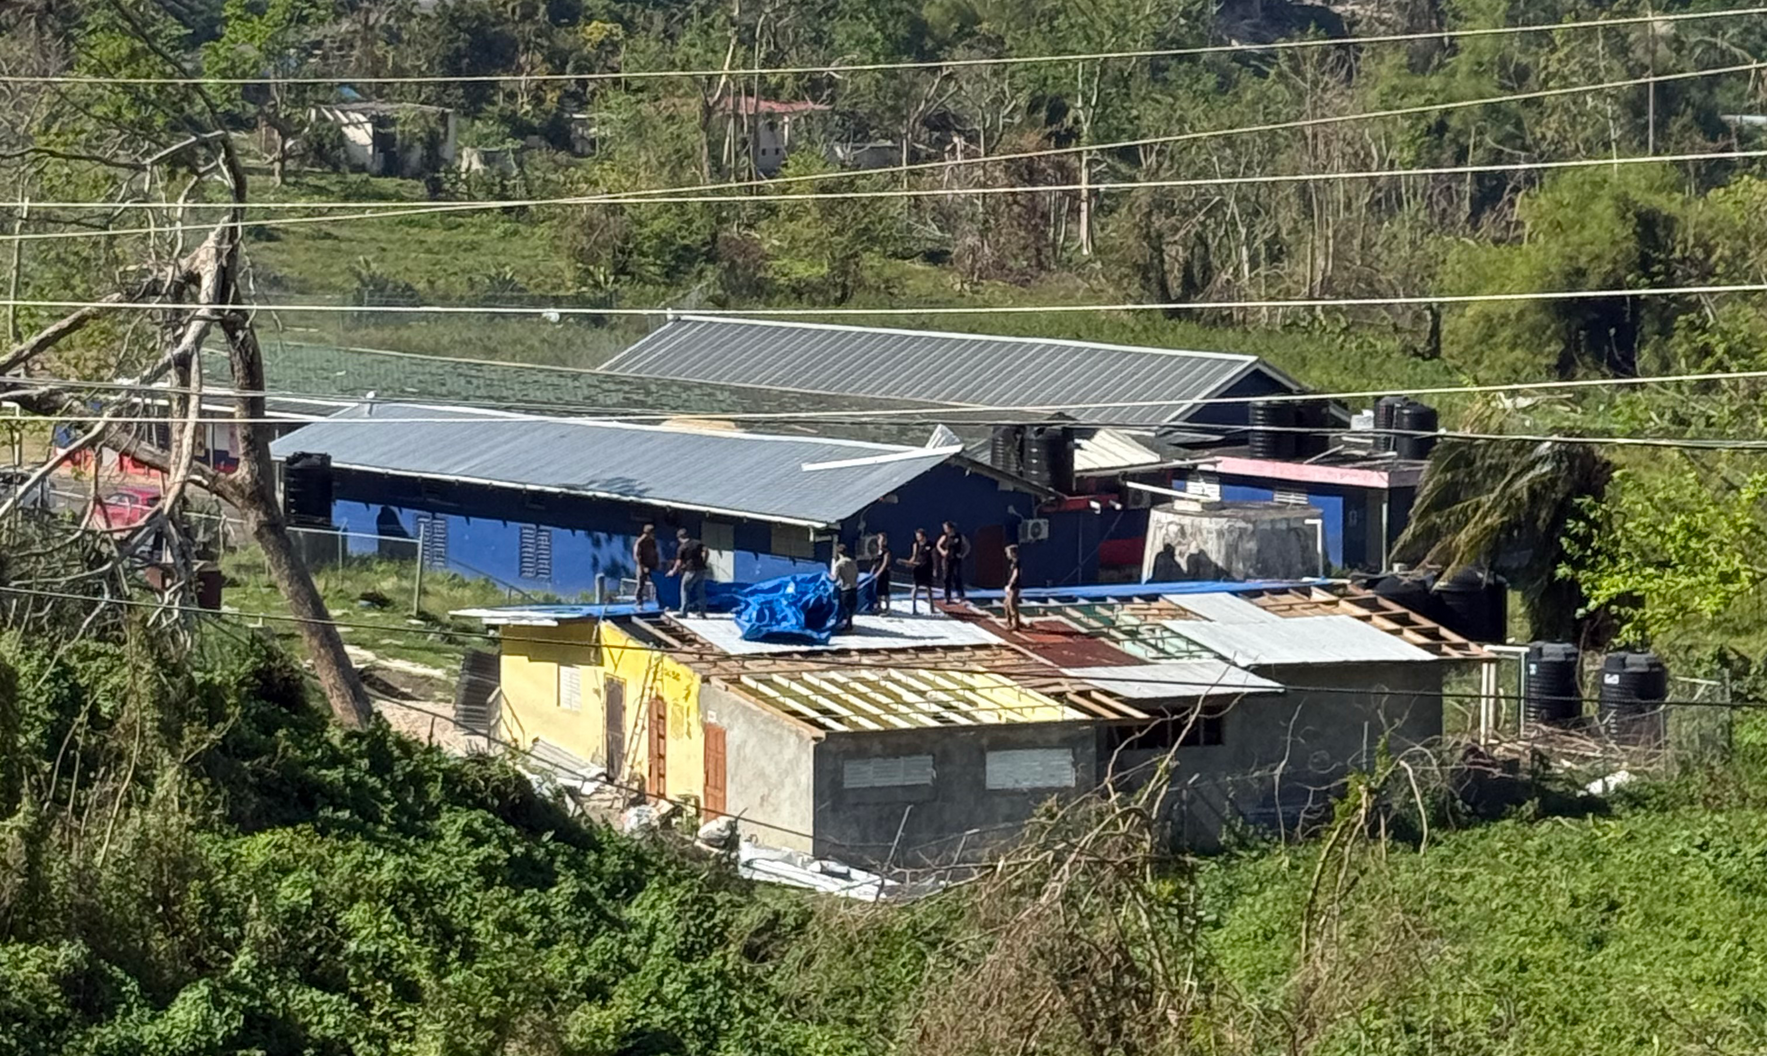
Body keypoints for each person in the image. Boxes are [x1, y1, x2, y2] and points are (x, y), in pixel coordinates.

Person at [669, 527, 709, 617]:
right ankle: (702, 612)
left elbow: (679, 562)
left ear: (680, 538)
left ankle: (683, 612)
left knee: (685, 588)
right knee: (700, 591)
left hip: (691, 570)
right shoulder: (697, 543)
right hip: (701, 570)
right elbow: (706, 551)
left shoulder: (682, 547)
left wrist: (673, 571)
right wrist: (704, 561)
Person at [900, 527, 935, 614]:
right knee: (915, 587)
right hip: (918, 568)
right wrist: (909, 563)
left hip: (927, 568)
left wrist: (935, 568)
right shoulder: (915, 545)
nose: (917, 537)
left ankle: (932, 608)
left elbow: (934, 556)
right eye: (916, 536)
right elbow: (914, 556)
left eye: (918, 536)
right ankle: (914, 608)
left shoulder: (930, 544)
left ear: (923, 536)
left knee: (929, 588)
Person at [830, 542, 859, 632]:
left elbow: (834, 578)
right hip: (854, 588)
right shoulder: (853, 562)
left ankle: (846, 625)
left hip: (845, 589)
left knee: (845, 608)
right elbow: (857, 574)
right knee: (851, 609)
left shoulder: (839, 564)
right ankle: (849, 624)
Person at [936, 521, 968, 603]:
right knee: (947, 578)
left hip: (956, 560)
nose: (945, 530)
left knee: (957, 577)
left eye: (946, 528)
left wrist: (962, 555)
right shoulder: (945, 537)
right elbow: (938, 545)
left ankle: (960, 595)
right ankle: (947, 596)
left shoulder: (959, 536)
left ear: (951, 528)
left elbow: (967, 546)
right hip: (947, 560)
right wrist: (942, 552)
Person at [632, 523, 660, 607]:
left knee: (657, 583)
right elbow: (636, 556)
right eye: (652, 533)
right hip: (643, 566)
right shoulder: (640, 542)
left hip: (652, 565)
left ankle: (659, 601)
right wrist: (642, 567)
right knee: (641, 584)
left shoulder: (652, 541)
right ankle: (639, 601)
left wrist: (657, 562)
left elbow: (655, 552)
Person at [1003, 543, 1024, 631]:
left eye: (1008, 553)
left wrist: (1010, 584)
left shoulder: (1016, 562)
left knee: (1012, 605)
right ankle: (1009, 622)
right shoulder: (1012, 562)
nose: (1007, 555)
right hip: (1011, 586)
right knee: (1006, 604)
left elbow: (1016, 573)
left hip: (1014, 586)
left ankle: (1016, 624)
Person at [871, 532, 893, 613]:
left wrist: (878, 573)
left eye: (883, 540)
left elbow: (885, 563)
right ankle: (879, 607)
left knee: (885, 591)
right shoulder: (876, 551)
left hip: (884, 574)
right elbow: (874, 563)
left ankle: (887, 608)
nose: (881, 541)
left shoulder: (886, 551)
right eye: (880, 539)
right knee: (877, 591)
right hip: (876, 573)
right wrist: (871, 573)